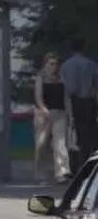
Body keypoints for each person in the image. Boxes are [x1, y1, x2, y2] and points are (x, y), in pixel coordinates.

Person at [60, 37, 98, 166]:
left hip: (73, 101)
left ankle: (75, 162)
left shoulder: (66, 65)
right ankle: (88, 159)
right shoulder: (91, 64)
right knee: (88, 132)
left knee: (73, 131)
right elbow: (95, 86)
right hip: (89, 101)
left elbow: (66, 87)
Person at [34, 52, 71, 183]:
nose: (54, 67)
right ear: (45, 64)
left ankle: (61, 173)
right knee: (41, 145)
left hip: (59, 113)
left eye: (56, 64)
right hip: (43, 114)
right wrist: (44, 110)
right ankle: (41, 174)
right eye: (51, 64)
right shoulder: (40, 78)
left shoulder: (61, 78)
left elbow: (66, 98)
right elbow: (38, 97)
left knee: (60, 144)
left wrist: (69, 114)